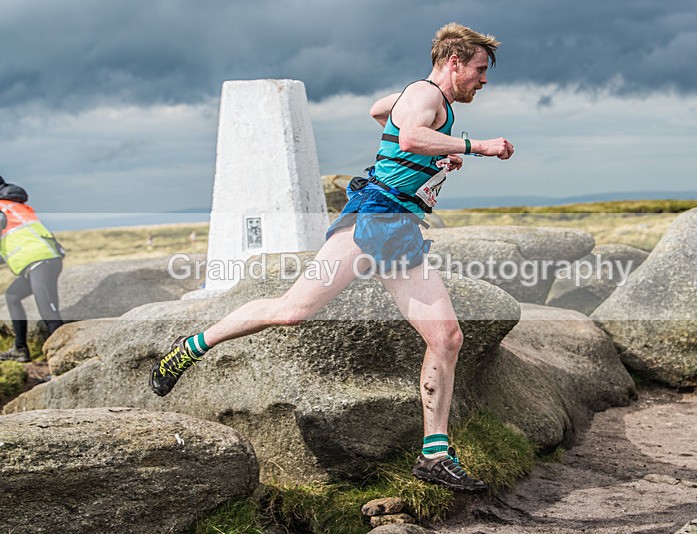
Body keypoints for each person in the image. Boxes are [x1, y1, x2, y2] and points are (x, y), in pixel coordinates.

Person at [149, 22, 514, 491]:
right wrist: (474, 145)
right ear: (454, 62)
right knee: (292, 312)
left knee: (446, 337)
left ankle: (434, 455)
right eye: (480, 70)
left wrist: (432, 152)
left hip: (399, 229)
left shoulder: (416, 98)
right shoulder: (426, 96)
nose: (483, 81)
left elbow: (382, 111)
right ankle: (189, 348)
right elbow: (408, 137)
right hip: (372, 218)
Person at [0, 177, 65, 363]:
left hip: (40, 262)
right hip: (40, 260)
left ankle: (60, 364)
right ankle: (20, 349)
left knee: (49, 314)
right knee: (12, 296)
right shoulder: (13, 206)